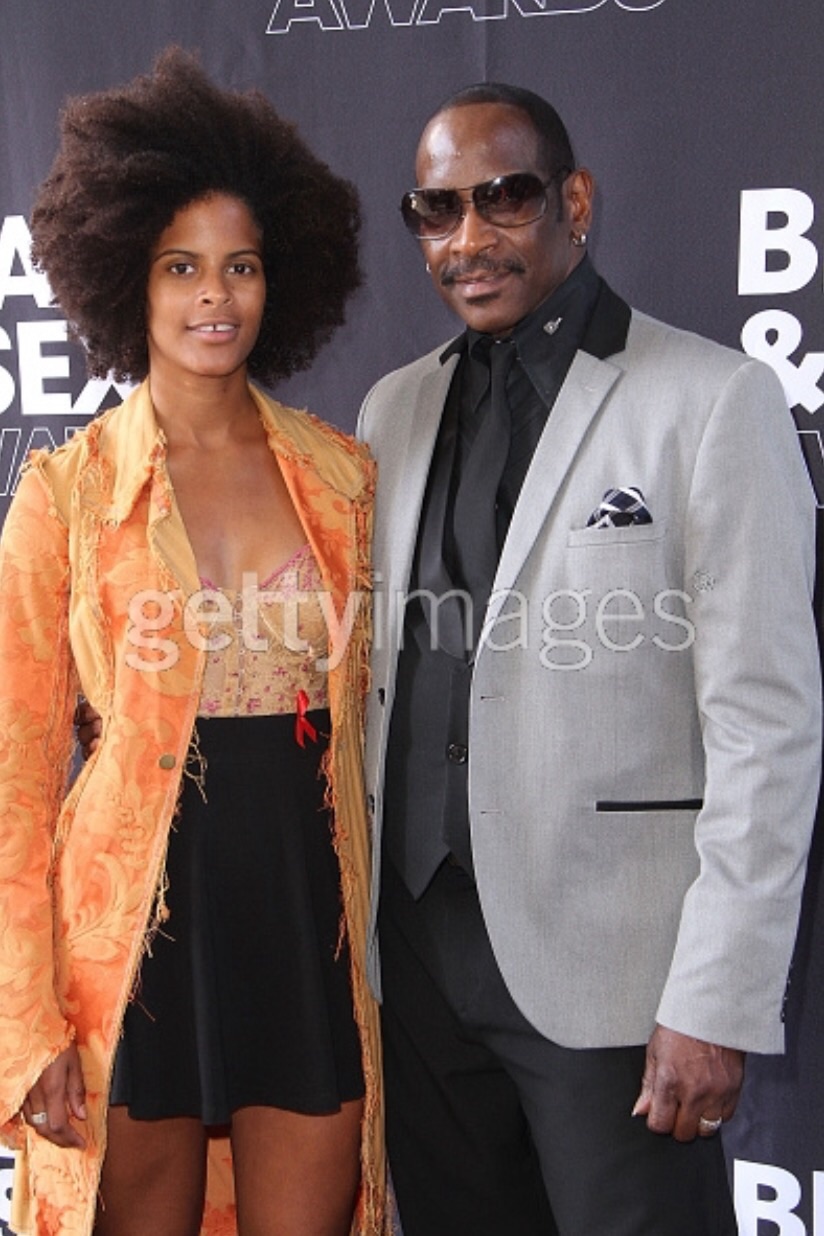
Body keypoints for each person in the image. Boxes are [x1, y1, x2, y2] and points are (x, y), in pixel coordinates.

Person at [357, 84, 822, 1235]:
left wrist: (713, 997)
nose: (468, 238)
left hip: (616, 978)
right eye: (437, 209)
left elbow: (765, 726)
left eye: (503, 198)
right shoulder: (389, 412)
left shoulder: (710, 402)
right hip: (412, 966)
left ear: (573, 201)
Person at [0, 49, 388, 1236]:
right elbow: (11, 782)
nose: (213, 297)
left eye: (240, 267)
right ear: (128, 276)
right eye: (181, 267)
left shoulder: (341, 477)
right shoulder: (65, 495)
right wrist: (25, 1029)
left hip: (302, 916)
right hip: (133, 950)